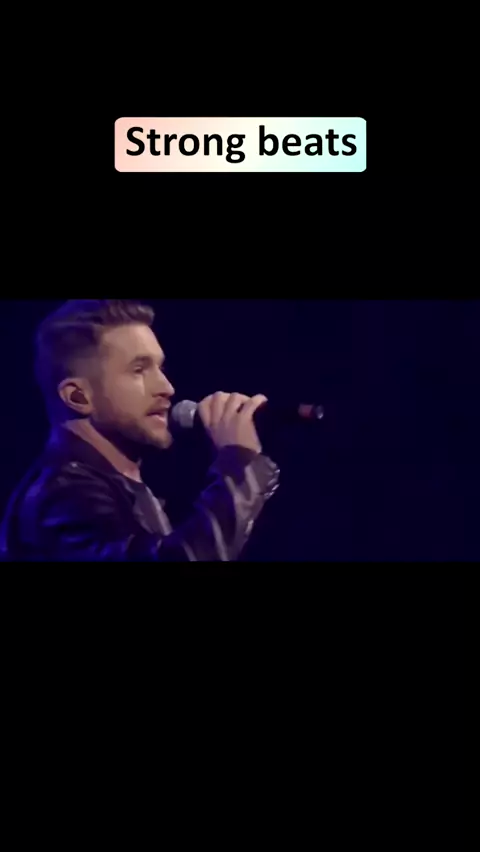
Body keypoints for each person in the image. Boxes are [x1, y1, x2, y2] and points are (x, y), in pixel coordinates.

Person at [0, 300, 280, 562]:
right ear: (79, 397)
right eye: (138, 370)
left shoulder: (109, 485)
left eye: (160, 368)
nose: (167, 388)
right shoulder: (63, 496)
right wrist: (238, 465)